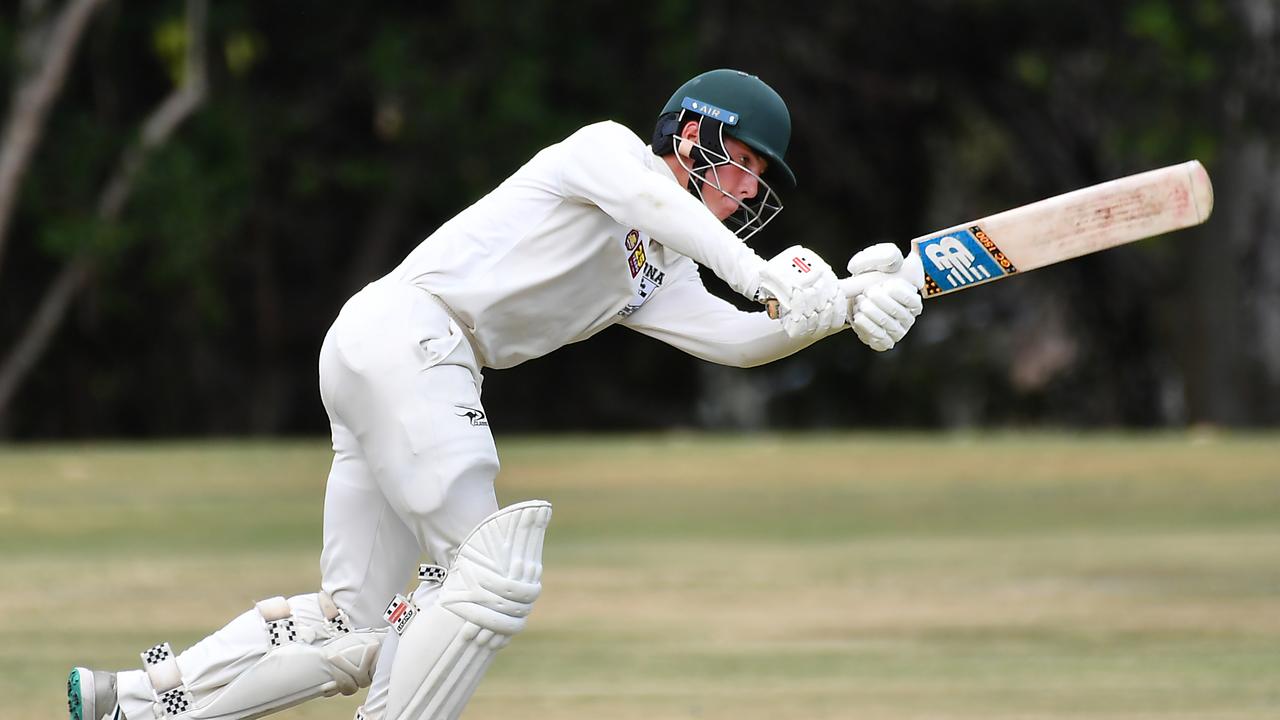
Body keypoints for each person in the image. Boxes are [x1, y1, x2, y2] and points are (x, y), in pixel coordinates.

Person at [68, 68, 923, 720]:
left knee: (360, 623)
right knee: (491, 571)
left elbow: (735, 341)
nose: (743, 194)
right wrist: (774, 279)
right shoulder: (609, 151)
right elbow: (660, 211)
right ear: (693, 133)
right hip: (415, 335)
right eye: (739, 167)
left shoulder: (659, 271)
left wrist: (837, 311)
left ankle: (139, 700)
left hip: (398, 357)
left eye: (755, 185)